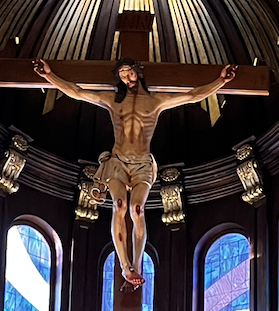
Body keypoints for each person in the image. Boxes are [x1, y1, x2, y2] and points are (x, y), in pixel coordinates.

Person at [33, 56, 236, 286]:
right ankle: (124, 265)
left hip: (142, 164)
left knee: (137, 209)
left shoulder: (155, 101)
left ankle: (136, 265)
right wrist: (49, 76)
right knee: (119, 206)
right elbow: (77, 92)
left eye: (128, 71)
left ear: (138, 71)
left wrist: (220, 81)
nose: (125, 77)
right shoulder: (112, 100)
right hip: (118, 161)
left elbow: (191, 96)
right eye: (120, 74)